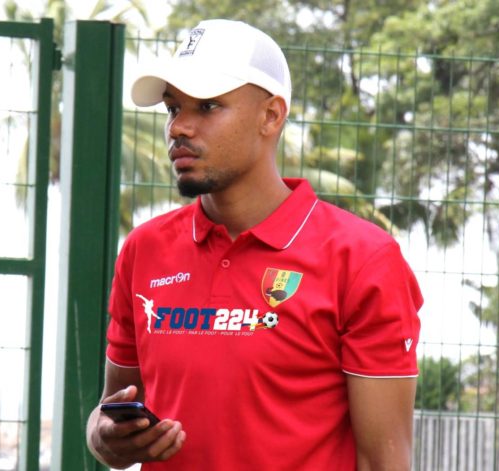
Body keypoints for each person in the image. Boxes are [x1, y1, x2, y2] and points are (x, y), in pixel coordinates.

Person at [86, 18, 423, 470]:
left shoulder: (362, 259)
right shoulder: (144, 250)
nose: (178, 128)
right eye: (173, 108)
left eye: (207, 106)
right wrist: (104, 436)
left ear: (271, 116)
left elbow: (384, 462)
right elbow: (110, 415)